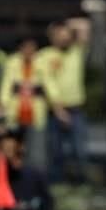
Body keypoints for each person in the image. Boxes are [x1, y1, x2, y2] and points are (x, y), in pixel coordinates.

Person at [37, 19, 89, 183]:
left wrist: (66, 25)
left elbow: (85, 26)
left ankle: (81, 184)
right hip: (54, 110)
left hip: (76, 109)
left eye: (66, 35)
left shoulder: (76, 51)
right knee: (55, 151)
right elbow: (47, 84)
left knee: (79, 150)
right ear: (52, 37)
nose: (65, 38)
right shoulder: (44, 56)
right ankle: (55, 186)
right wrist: (58, 109)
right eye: (60, 35)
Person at [0, 39, 55, 171]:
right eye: (26, 48)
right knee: (13, 147)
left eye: (32, 48)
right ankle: (11, 176)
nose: (29, 51)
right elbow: (6, 84)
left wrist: (56, 103)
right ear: (21, 48)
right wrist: (2, 104)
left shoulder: (42, 62)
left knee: (37, 150)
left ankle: (36, 179)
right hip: (15, 111)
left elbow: (49, 83)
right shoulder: (12, 61)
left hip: (36, 111)